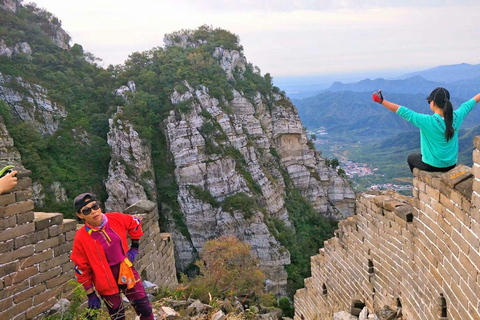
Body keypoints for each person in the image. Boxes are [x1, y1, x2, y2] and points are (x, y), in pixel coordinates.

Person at [70, 193, 154, 320]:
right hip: (104, 281)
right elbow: (81, 267)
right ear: (80, 215)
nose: (93, 211)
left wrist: (134, 247)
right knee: (117, 316)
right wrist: (90, 293)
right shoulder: (81, 237)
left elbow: (135, 223)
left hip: (126, 272)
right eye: (87, 210)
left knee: (144, 308)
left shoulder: (115, 219)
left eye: (95, 206)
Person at [373, 87, 480, 173]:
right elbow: (470, 103)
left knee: (411, 158)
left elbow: (403, 111)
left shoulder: (428, 121)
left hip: (433, 165)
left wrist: (381, 101)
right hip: (451, 164)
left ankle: (419, 181)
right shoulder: (457, 116)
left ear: (432, 102)